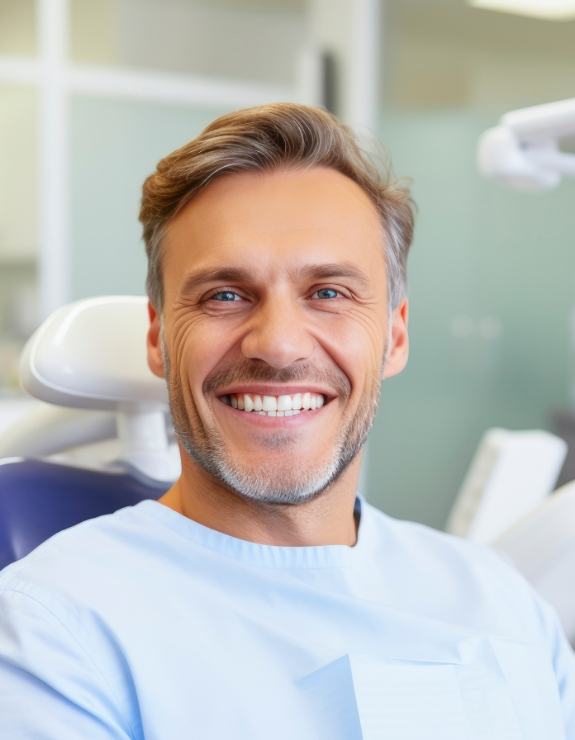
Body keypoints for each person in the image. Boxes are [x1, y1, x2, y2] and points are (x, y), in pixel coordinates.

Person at [0, 103, 573, 739]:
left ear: (396, 334)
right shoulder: (56, 627)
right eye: (225, 294)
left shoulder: (501, 600)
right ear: (159, 338)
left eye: (328, 293)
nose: (278, 344)